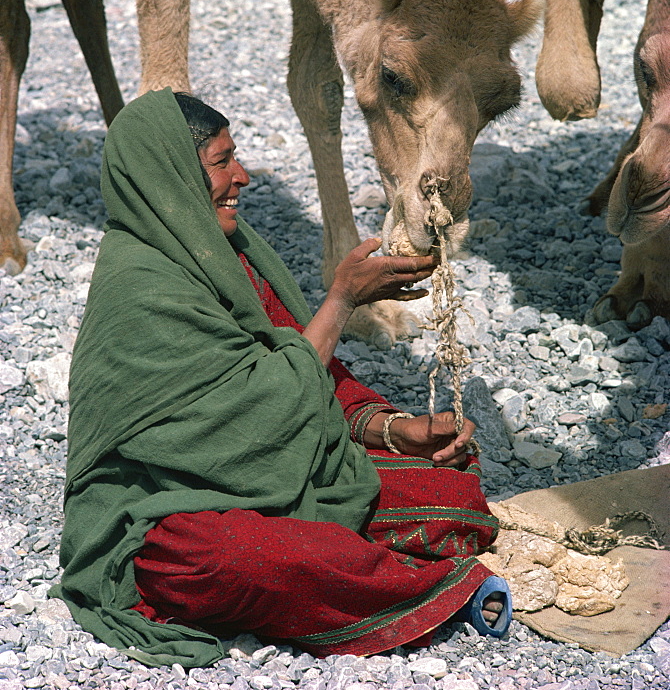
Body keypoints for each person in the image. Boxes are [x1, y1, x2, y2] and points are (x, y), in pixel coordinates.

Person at [52, 89, 510, 669]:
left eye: (235, 156)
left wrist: (394, 430)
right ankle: (436, 591)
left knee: (449, 491)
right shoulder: (138, 288)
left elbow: (301, 366)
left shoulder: (229, 250)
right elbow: (244, 414)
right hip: (165, 504)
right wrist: (341, 301)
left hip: (270, 459)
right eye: (221, 163)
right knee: (232, 561)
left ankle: (358, 553)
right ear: (169, 176)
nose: (241, 176)